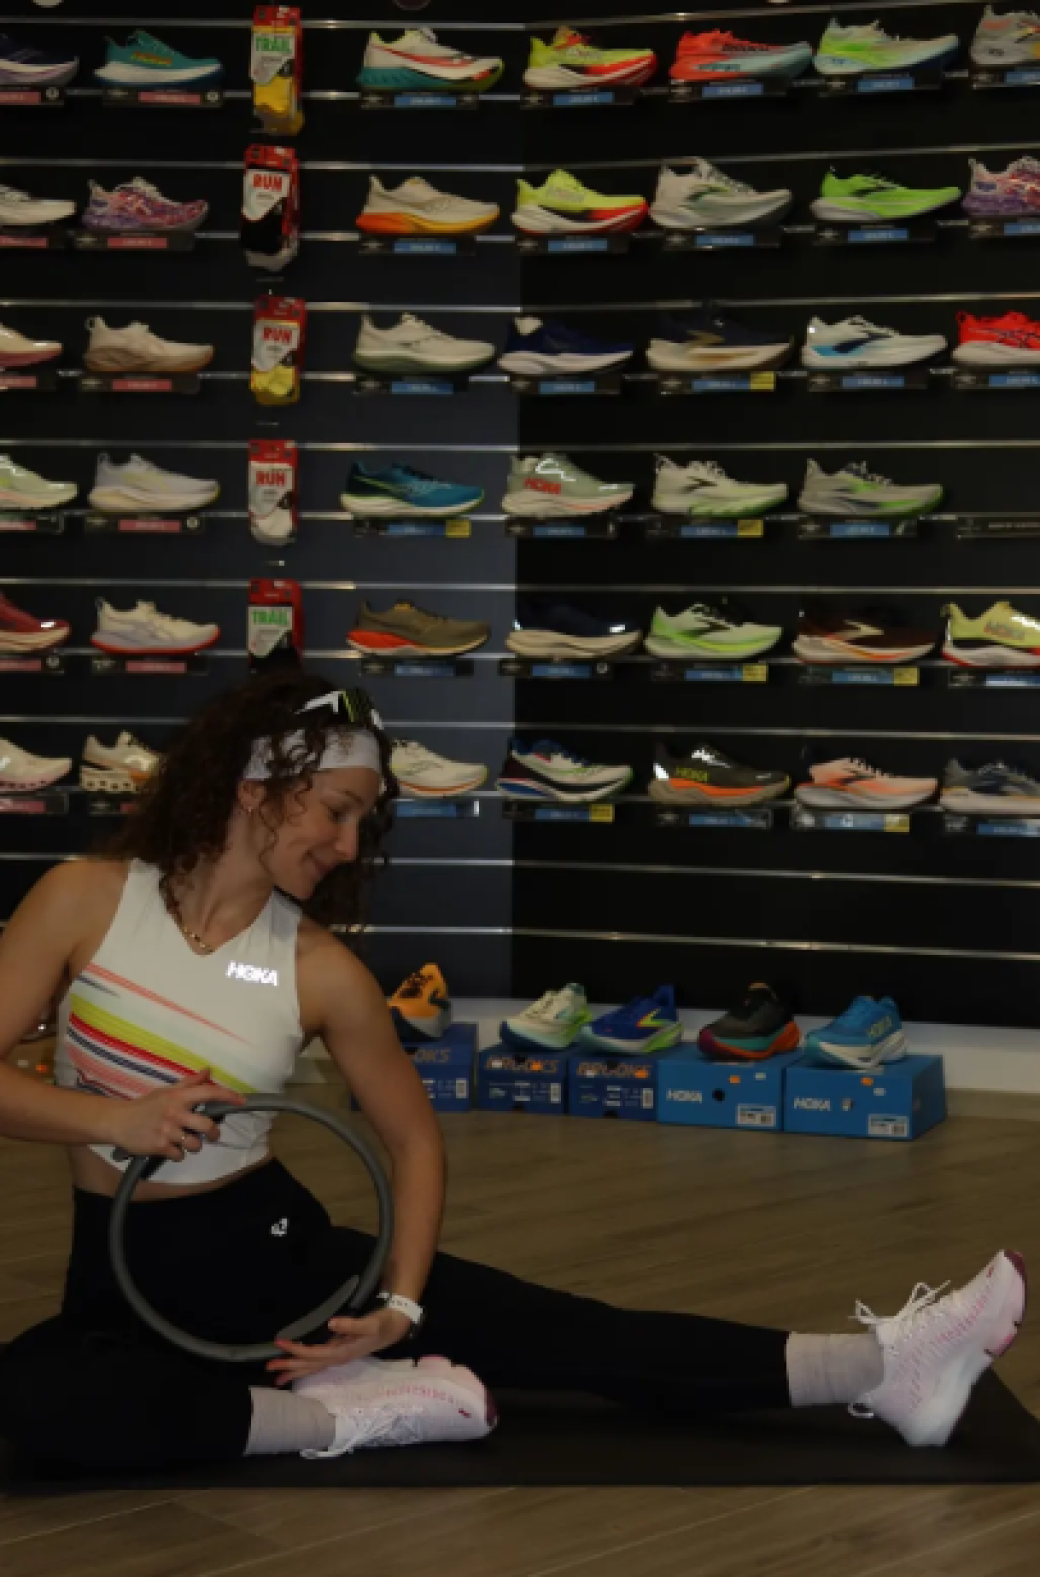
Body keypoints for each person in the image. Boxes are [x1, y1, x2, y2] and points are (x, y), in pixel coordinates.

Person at [0, 670, 1026, 1475]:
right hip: (119, 1275)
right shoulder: (83, 899)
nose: (348, 845)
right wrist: (115, 1119)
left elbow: (413, 1140)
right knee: (35, 1401)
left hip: (277, 1257)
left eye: (363, 822)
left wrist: (399, 1307)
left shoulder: (322, 971)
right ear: (258, 785)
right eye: (337, 810)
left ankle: (886, 1364)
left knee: (574, 1336)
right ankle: (341, 1414)